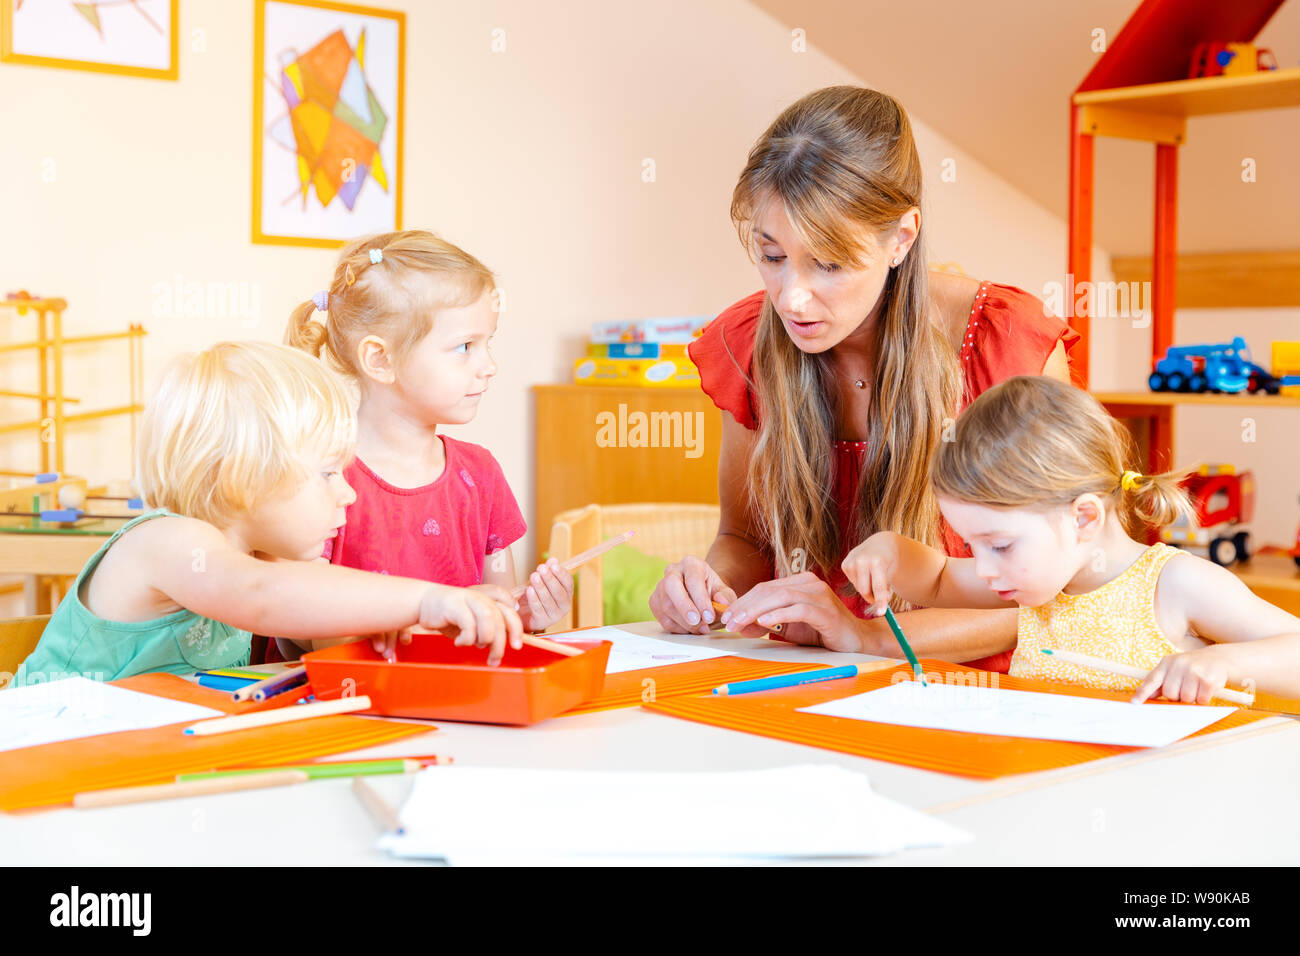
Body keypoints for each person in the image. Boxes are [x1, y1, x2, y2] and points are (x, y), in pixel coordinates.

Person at [650, 85, 1076, 670]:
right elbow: (743, 541)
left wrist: (868, 639)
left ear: (901, 239)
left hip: (973, 699)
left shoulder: (1007, 346)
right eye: (772, 256)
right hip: (804, 682)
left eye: (829, 263)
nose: (791, 298)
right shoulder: (746, 343)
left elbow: (1058, 589)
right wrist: (705, 588)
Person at [10, 342, 523, 687]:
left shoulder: (264, 560)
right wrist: (425, 598)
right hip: (36, 758)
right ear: (243, 476)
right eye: (327, 474)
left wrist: (398, 620)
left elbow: (322, 616)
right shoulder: (169, 544)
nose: (348, 495)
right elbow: (260, 596)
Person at [842, 376, 1300, 703]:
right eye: (971, 544)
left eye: (999, 545)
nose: (982, 568)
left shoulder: (1173, 584)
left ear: (1083, 518)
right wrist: (890, 551)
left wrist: (1224, 665)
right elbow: (939, 579)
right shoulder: (1039, 583)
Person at [285, 231, 572, 653]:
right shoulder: (322, 478)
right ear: (380, 359)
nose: (489, 366)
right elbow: (317, 636)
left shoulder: (481, 475)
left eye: (487, 343)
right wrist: (433, 623)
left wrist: (525, 616)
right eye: (464, 347)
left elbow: (496, 610)